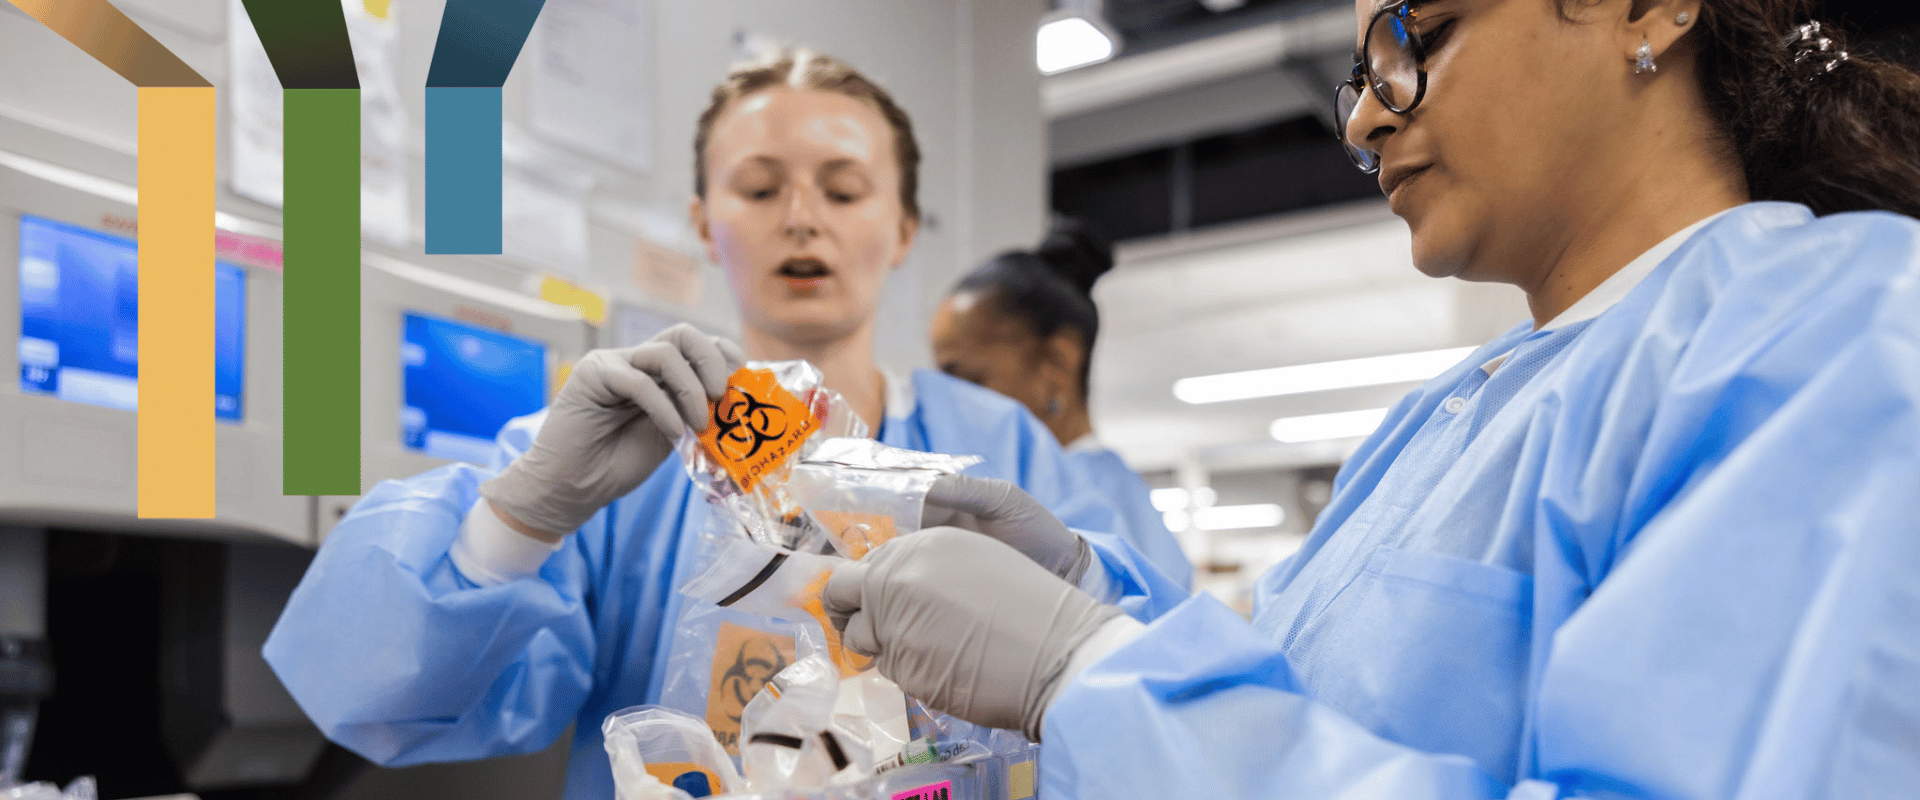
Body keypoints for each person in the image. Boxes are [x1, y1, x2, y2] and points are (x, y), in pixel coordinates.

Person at [823, 0, 1920, 796]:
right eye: (1363, 74)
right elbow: (1306, 697)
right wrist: (1081, 591)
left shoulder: (1836, 333)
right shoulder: (1447, 413)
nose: (1363, 121)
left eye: (1419, 39)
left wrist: (1091, 671)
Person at [262, 48, 1184, 800]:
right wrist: (520, 517)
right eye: (757, 187)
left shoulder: (1006, 447)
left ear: (903, 229)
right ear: (706, 225)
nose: (800, 219)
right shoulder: (621, 450)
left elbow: (1163, 681)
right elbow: (370, 696)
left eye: (844, 188)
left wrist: (1071, 590)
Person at [929, 217, 1192, 586]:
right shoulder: (1094, 488)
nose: (949, 404)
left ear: (1056, 363)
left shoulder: (1083, 501)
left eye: (971, 380)